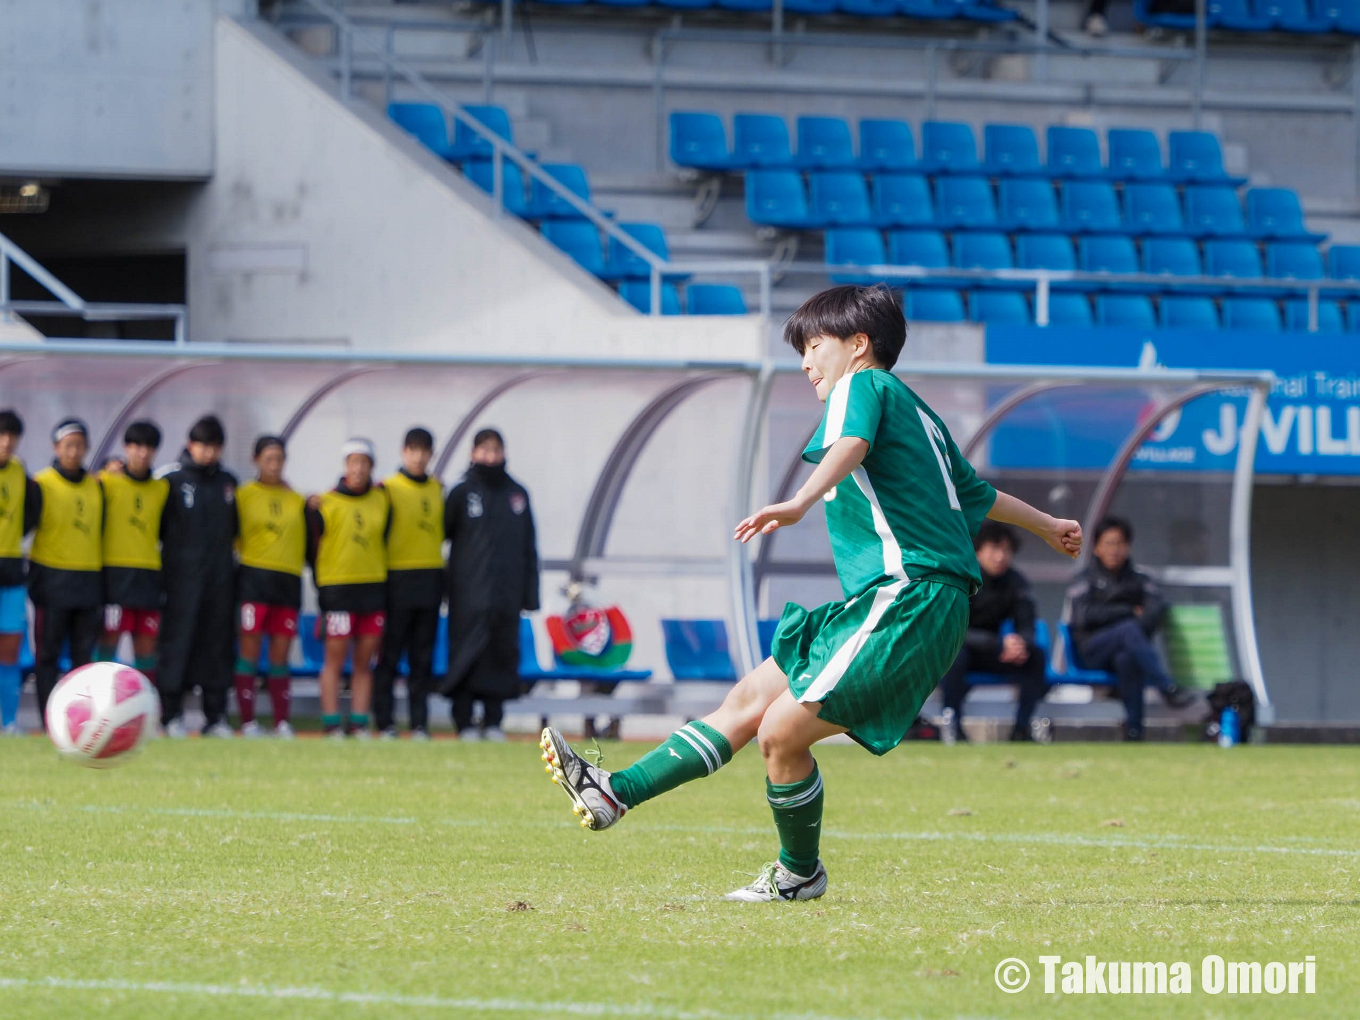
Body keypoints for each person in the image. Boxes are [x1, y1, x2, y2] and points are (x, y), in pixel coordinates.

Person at [538, 284, 1083, 902]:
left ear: (858, 345)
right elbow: (976, 495)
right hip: (894, 599)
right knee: (749, 702)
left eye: (813, 345)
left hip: (909, 597)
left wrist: (798, 500)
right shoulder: (921, 414)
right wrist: (1050, 525)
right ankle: (614, 792)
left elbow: (852, 447)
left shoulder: (863, 386)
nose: (805, 361)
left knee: (779, 730)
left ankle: (799, 873)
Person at [442, 428, 539, 742]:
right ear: (473, 453)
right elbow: (440, 541)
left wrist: (530, 595)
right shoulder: (461, 493)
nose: (490, 456)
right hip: (467, 594)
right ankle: (464, 721)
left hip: (506, 595)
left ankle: (494, 721)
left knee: (500, 655)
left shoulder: (517, 495)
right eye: (484, 450)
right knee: (466, 655)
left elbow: (529, 547)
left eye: (495, 450)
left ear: (504, 453)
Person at [1068, 516, 1192, 742]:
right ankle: (1166, 687)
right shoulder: (1085, 579)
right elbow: (1084, 616)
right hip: (1092, 651)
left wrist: (1132, 625)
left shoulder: (1140, 579)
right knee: (1127, 630)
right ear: (1096, 547)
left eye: (1119, 543)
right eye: (1108, 543)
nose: (1114, 550)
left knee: (1127, 657)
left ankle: (1134, 731)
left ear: (1128, 546)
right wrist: (1126, 611)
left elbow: (1156, 610)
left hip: (1125, 651)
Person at [158, 415, 239, 738]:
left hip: (220, 581)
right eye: (203, 445)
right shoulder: (171, 481)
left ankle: (215, 717)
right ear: (191, 445)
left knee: (217, 648)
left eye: (215, 447)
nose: (209, 452)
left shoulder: (228, 483)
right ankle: (171, 716)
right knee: (177, 646)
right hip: (182, 581)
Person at [937, 521, 1049, 744]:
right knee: (954, 658)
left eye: (1006, 550)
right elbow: (951, 629)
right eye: (994, 549)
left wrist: (1021, 644)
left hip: (996, 652)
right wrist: (997, 644)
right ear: (978, 551)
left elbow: (1027, 624)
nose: (1000, 556)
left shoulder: (1016, 582)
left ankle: (1022, 728)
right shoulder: (962, 578)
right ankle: (953, 726)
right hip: (963, 648)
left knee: (1036, 657)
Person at [306, 438, 388, 739]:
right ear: (345, 466)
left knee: (364, 663)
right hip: (338, 590)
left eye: (364, 463)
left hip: (373, 589)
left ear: (371, 467)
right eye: (353, 462)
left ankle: (358, 723)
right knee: (334, 660)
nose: (358, 468)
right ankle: (331, 724)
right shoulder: (325, 502)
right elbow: (311, 547)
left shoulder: (382, 499)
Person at [28, 418, 104, 726]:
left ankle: (80, 721)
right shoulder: (41, 483)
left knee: (83, 659)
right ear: (56, 447)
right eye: (67, 445)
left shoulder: (98, 486)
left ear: (86, 448)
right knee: (48, 656)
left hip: (88, 580)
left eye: (79, 445)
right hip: (52, 579)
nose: (74, 451)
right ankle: (50, 721)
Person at [373, 428, 444, 740]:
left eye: (424, 450)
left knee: (422, 658)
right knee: (390, 655)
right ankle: (385, 723)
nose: (418, 456)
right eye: (413, 450)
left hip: (429, 578)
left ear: (431, 454)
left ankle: (419, 724)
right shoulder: (387, 489)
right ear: (403, 452)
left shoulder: (439, 489)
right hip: (396, 578)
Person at [234, 436, 306, 739]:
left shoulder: (297, 500)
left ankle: (281, 722)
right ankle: (248, 722)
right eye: (268, 458)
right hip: (254, 580)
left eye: (279, 458)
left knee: (280, 656)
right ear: (256, 460)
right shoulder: (242, 496)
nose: (274, 465)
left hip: (288, 582)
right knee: (249, 653)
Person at [96, 421, 169, 690]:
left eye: (149, 447)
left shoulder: (162, 489)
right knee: (108, 643)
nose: (143, 452)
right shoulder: (106, 482)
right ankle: (98, 703)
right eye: (137, 446)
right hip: (115, 574)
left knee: (146, 648)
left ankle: (147, 708)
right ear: (127, 448)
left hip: (149, 574)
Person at [0, 411, 41, 734]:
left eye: (12, 437)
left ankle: (9, 722)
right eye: (2, 435)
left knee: (10, 647)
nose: (7, 442)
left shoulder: (19, 472)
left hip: (11, 568)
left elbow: (31, 513)